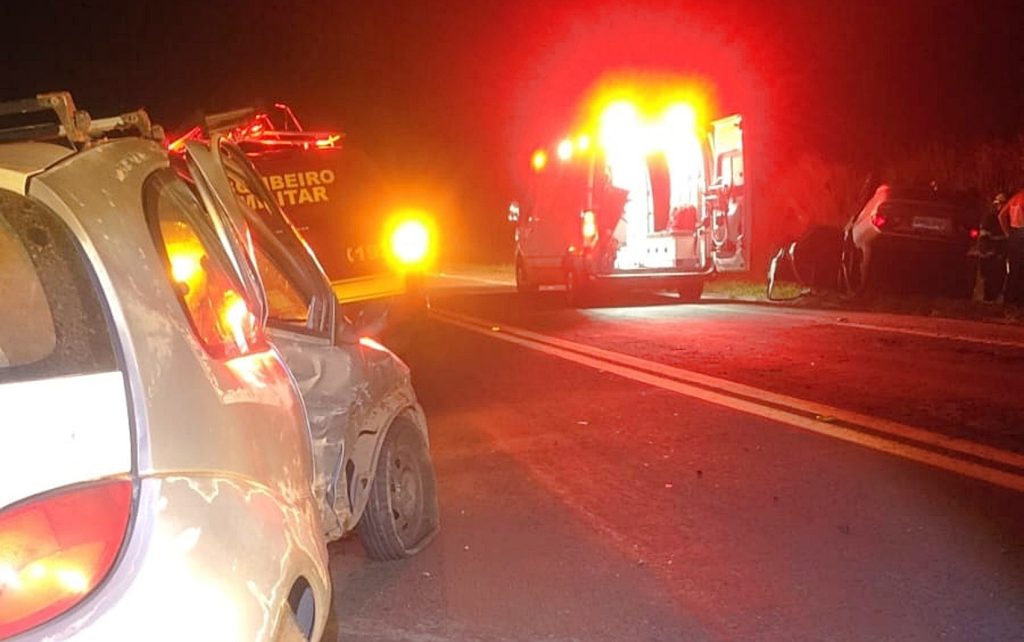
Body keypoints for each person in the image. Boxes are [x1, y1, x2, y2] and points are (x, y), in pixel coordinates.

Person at [979, 193, 1008, 302]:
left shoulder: (1007, 218)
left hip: (1001, 253)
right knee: (989, 278)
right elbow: (984, 236)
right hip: (990, 253)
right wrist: (987, 251)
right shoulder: (990, 218)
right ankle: (987, 299)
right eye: (999, 204)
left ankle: (994, 299)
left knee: (1000, 277)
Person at [998, 189, 1024, 306]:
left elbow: (1001, 216)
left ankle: (1009, 300)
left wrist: (1008, 233)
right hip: (1022, 233)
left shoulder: (1015, 198)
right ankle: (1018, 301)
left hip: (1014, 234)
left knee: (1013, 270)